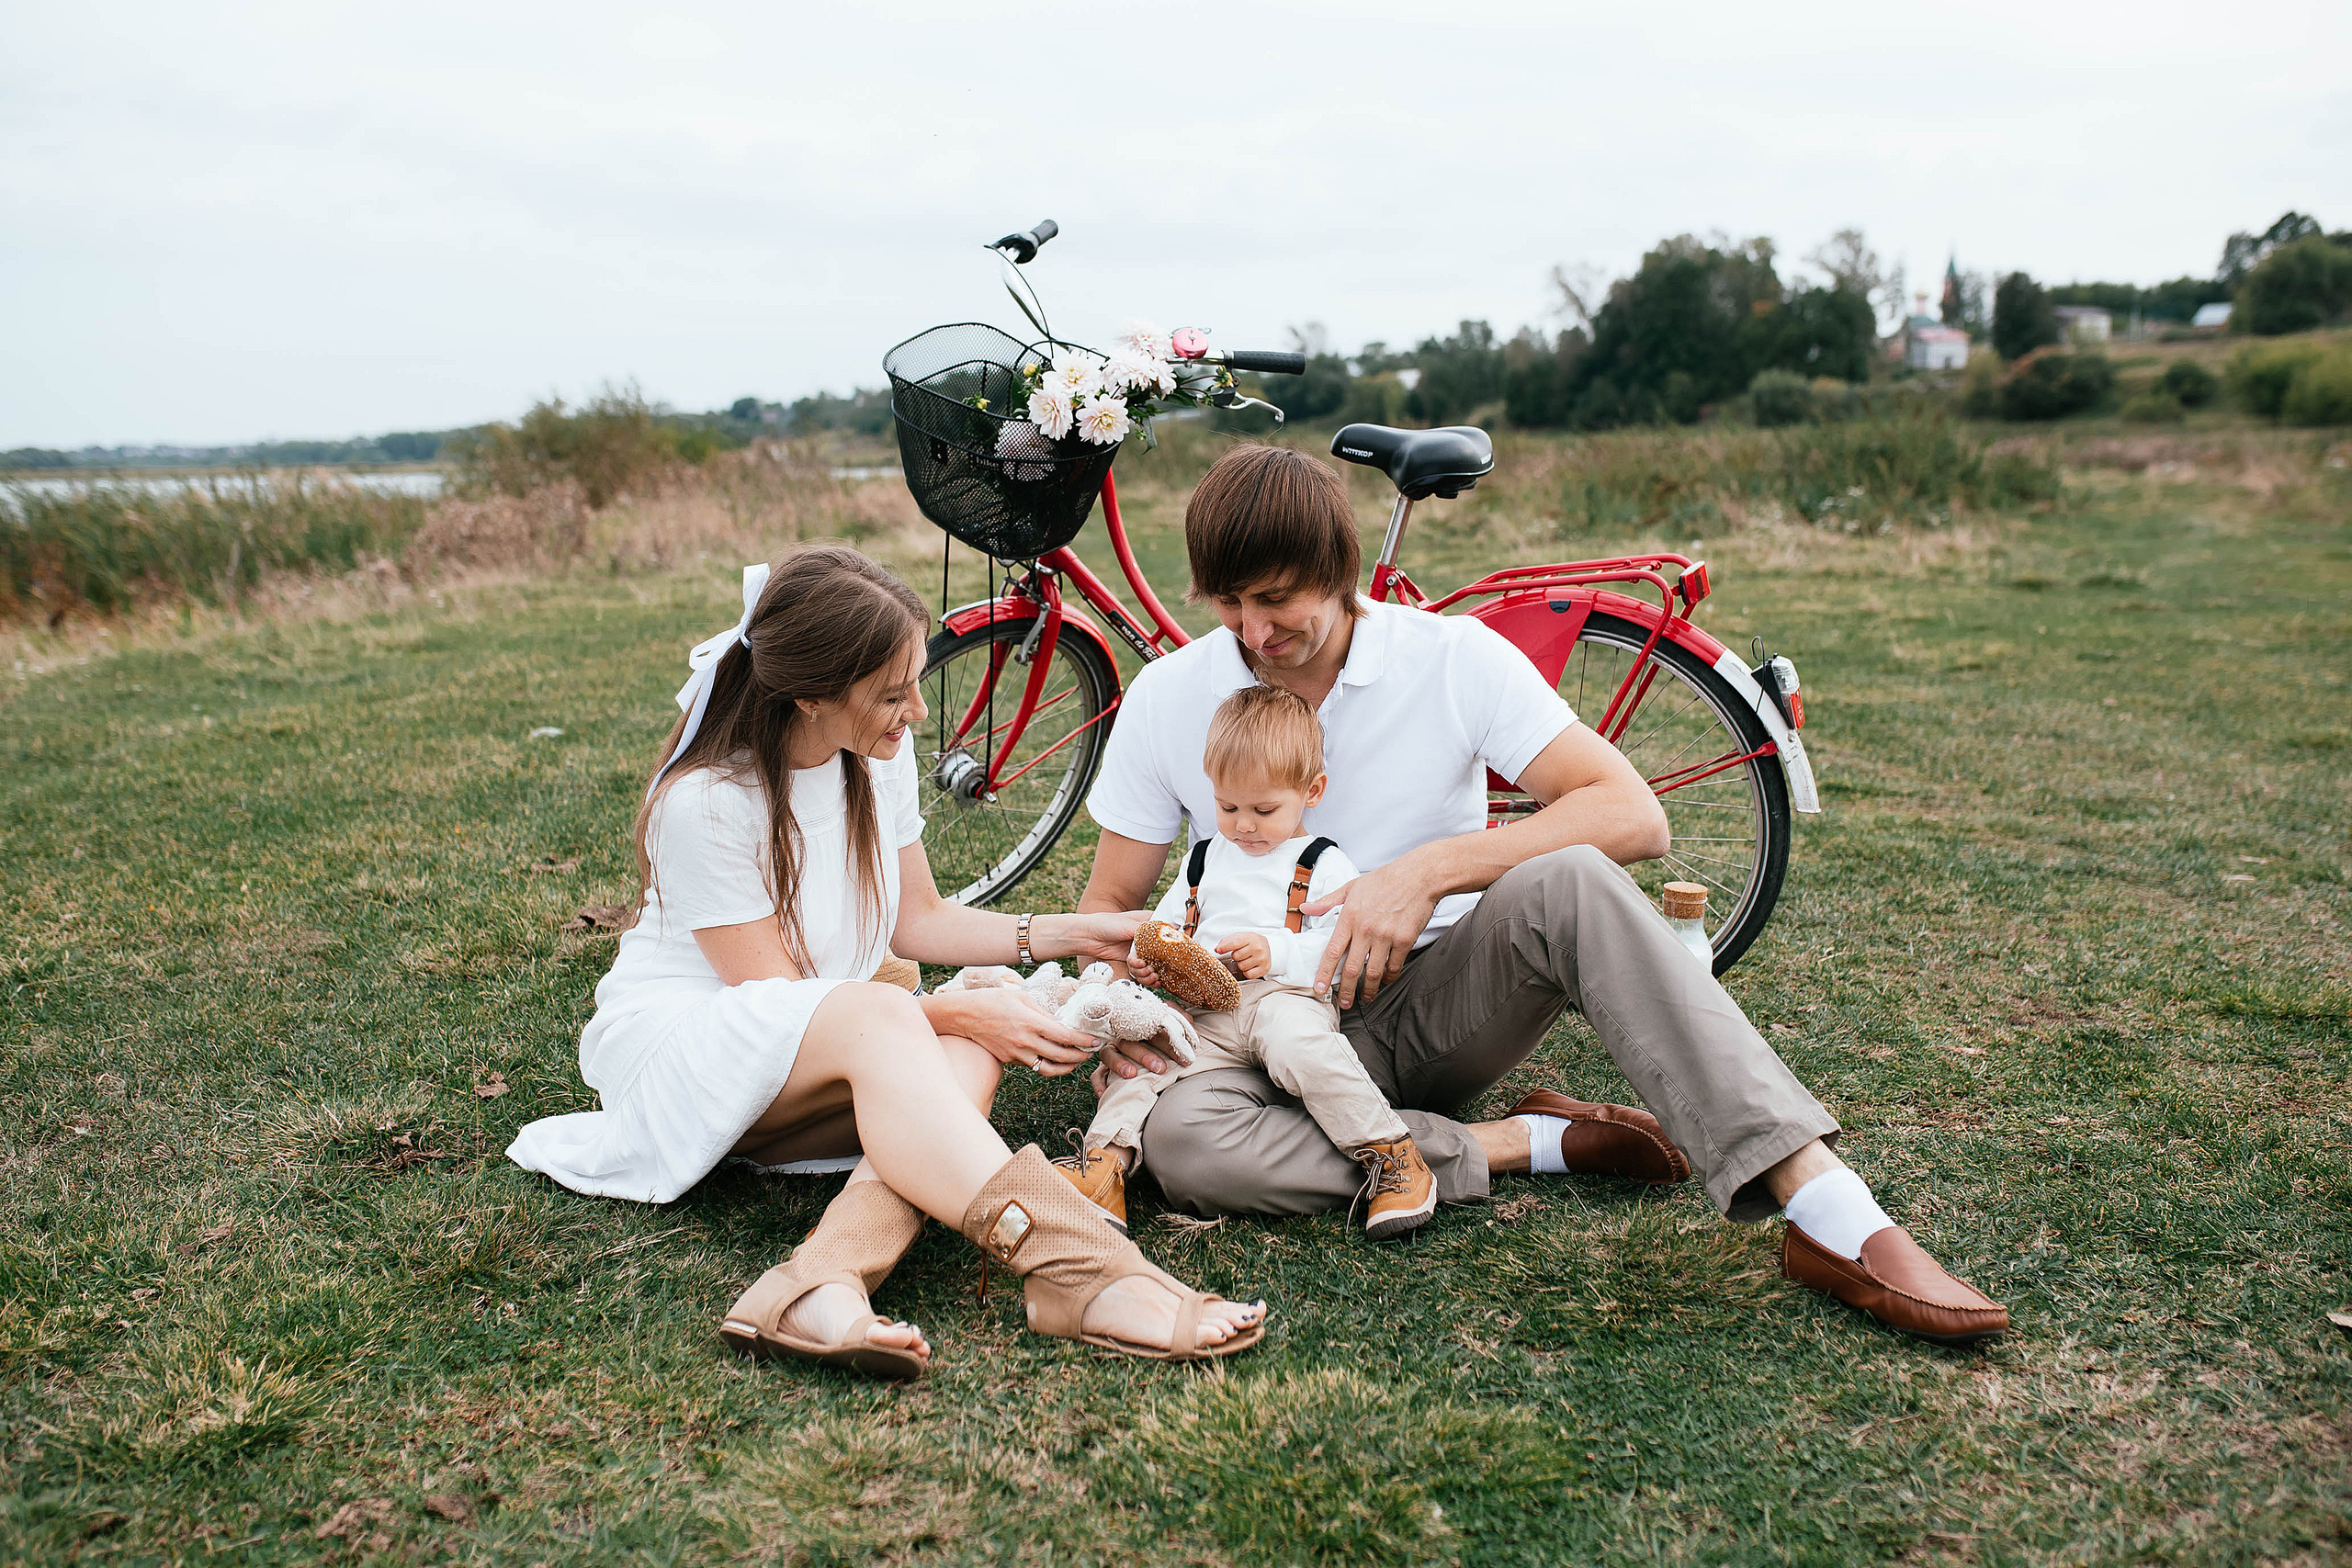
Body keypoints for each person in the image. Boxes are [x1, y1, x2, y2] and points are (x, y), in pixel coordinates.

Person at [1076, 447, 2008, 1346]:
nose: (1252, 634)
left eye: (1276, 603)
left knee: (1572, 877)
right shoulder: (1169, 695)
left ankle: (1829, 1211)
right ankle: (1524, 1142)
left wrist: (1426, 872)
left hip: (1419, 1008)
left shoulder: (1449, 659)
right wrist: (1110, 1016)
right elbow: (1110, 900)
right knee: (1188, 1154)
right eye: (1229, 604)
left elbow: (1632, 815)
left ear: (1338, 572)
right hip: (1241, 1043)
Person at [508, 544, 1269, 1376]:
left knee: (967, 1041)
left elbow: (919, 920)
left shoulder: (876, 754)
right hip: (693, 1059)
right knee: (923, 1015)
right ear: (809, 695)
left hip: (835, 1042)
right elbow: (780, 1002)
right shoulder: (704, 803)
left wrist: (1077, 932)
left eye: (913, 680)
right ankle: (1083, 1270)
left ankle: (821, 1278)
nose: (915, 708)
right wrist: (938, 1008)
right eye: (890, 692)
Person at [1062, 683, 1439, 1242]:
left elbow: (1338, 947)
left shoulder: (1322, 862)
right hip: (1202, 1010)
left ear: (1312, 791)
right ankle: (1105, 1167)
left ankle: (1390, 1154)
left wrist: (1276, 950)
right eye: (1226, 806)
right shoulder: (1204, 859)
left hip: (1281, 999)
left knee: (1304, 1049)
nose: (1242, 825)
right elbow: (1163, 928)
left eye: (1264, 809)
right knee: (1149, 1062)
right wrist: (1149, 959)